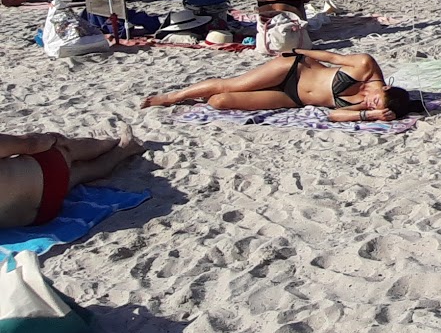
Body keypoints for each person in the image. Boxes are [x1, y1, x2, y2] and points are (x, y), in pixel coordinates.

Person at [141, 48, 418, 121]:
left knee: (219, 102)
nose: (371, 104)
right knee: (231, 85)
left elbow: (333, 116)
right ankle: (172, 97)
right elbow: (331, 57)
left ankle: (198, 96)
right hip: (293, 71)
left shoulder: (372, 110)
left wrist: (369, 113)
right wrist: (300, 52)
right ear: (386, 89)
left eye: (374, 107)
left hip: (293, 100)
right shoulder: (364, 65)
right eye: (376, 101)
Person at [0, 131, 147, 228]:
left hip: (39, 217)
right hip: (50, 172)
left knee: (81, 172)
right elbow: (32, 144)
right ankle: (117, 145)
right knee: (66, 149)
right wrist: (53, 138)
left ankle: (123, 148)